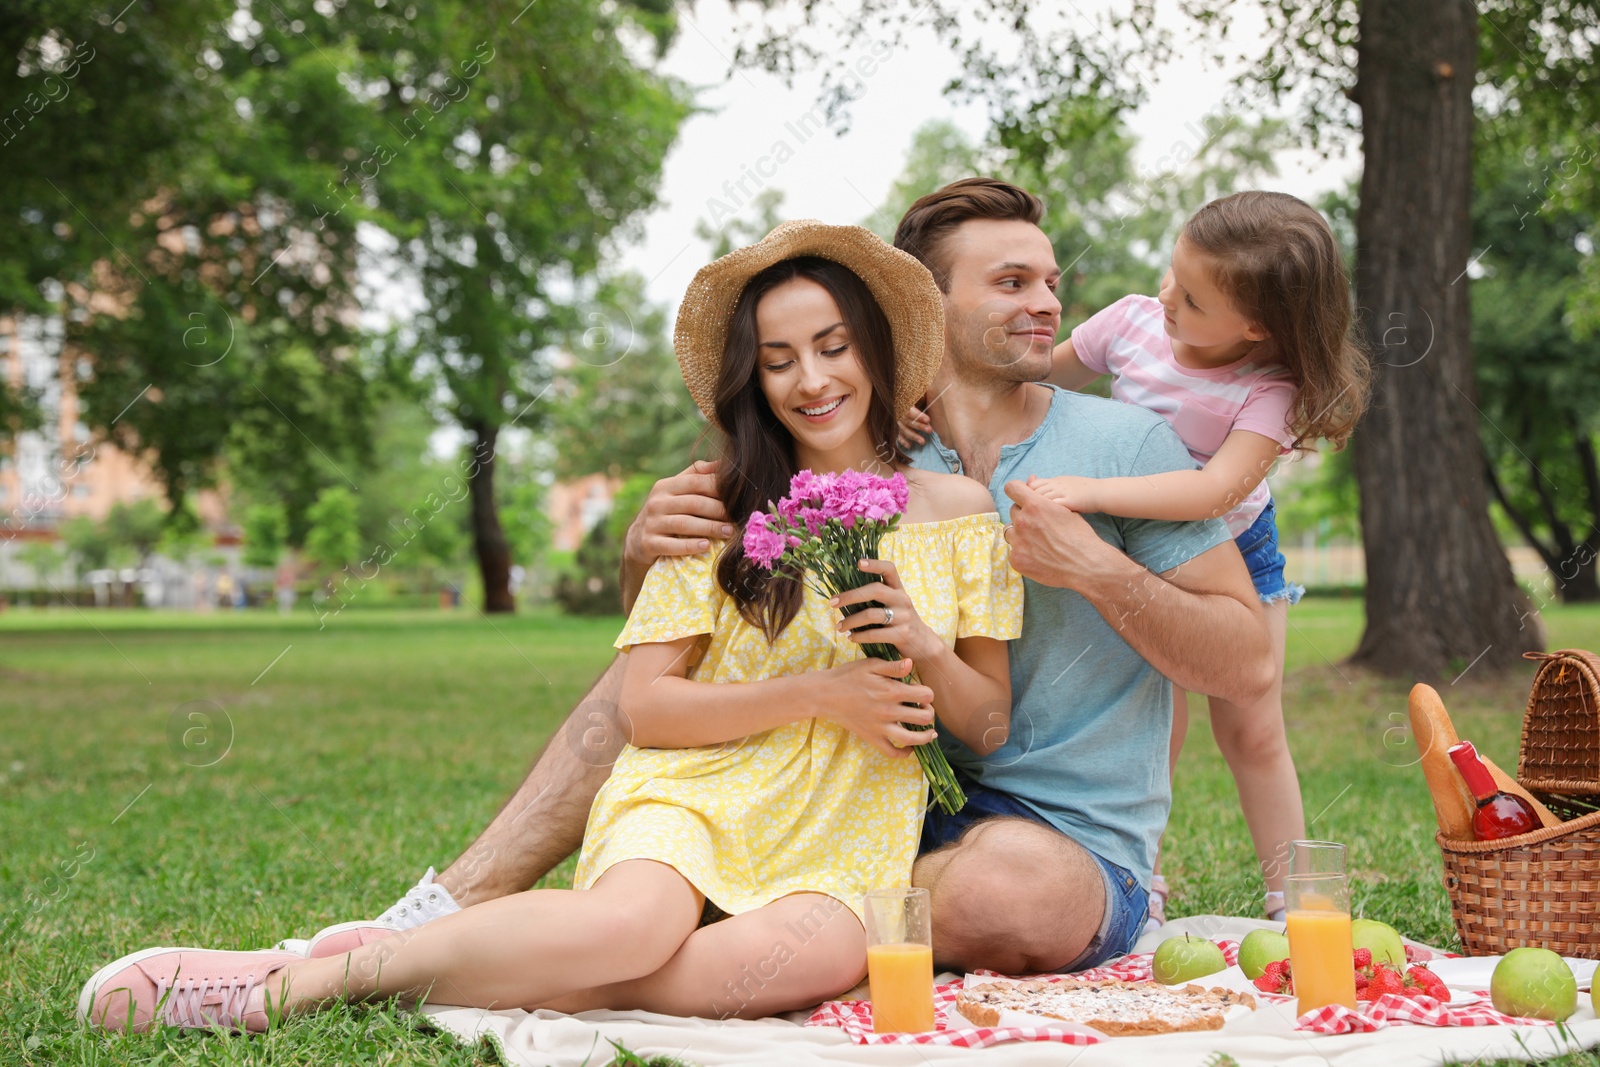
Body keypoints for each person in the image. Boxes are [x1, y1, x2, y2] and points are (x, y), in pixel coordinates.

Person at [78, 222, 1024, 1033]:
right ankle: (299, 986)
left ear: (876, 351)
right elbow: (647, 710)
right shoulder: (714, 508)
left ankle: (428, 958)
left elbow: (986, 726)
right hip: (692, 795)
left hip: (846, 834)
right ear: (752, 381)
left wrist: (927, 648)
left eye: (832, 346)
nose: (810, 379)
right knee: (630, 930)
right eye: (778, 360)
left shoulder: (962, 511)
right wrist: (822, 692)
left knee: (778, 968)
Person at [906, 191, 1369, 926]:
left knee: (1250, 729)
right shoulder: (870, 443)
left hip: (1214, 520)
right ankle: (862, 897)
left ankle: (1290, 896)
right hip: (899, 802)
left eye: (1050, 284)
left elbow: (1215, 503)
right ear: (921, 303)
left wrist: (1091, 561)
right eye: (1011, 282)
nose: (1047, 304)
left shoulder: (1139, 438)